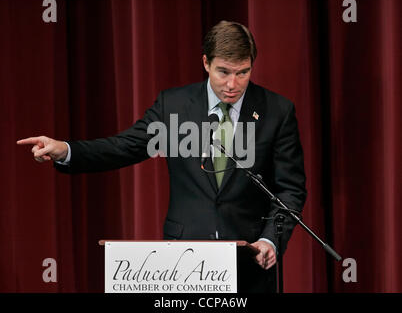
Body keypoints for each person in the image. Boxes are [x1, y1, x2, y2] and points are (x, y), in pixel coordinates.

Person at [17, 20, 306, 293]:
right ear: (206, 63)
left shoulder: (277, 111)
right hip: (183, 262)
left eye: (242, 72)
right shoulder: (174, 106)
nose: (233, 84)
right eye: (224, 72)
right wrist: (66, 150)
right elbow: (124, 147)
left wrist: (270, 240)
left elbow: (290, 189)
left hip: (249, 262)